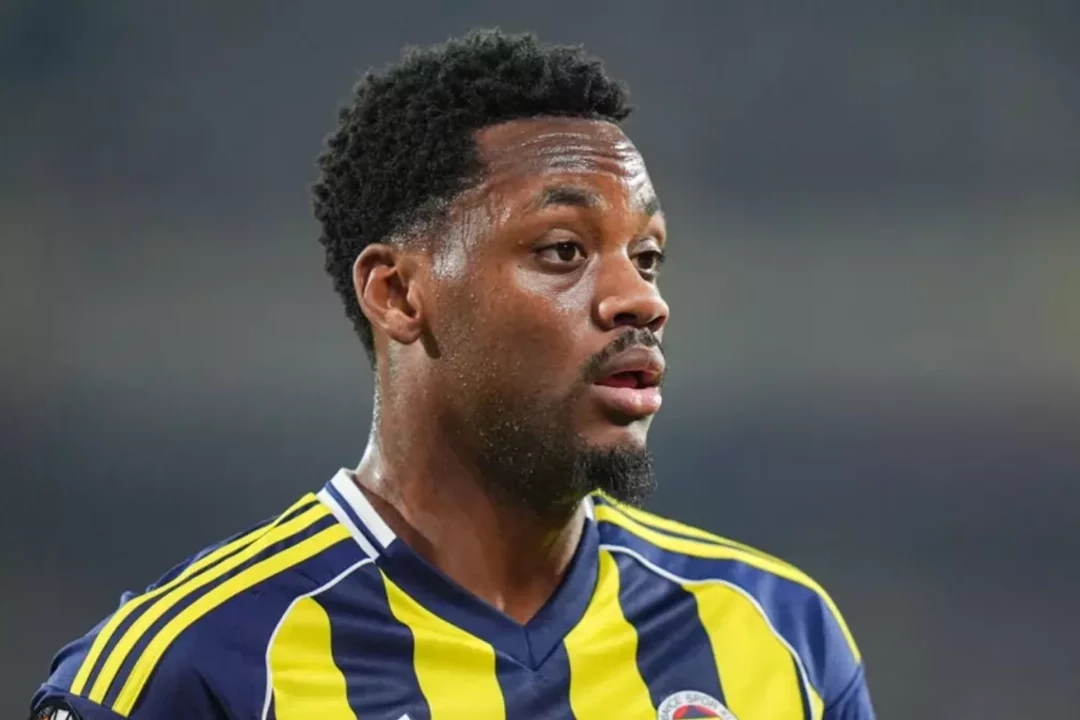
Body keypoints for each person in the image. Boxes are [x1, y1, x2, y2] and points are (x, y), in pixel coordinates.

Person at [29, 29, 875, 720]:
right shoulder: (192, 669)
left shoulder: (779, 637)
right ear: (398, 294)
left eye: (647, 257)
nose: (641, 300)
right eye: (564, 251)